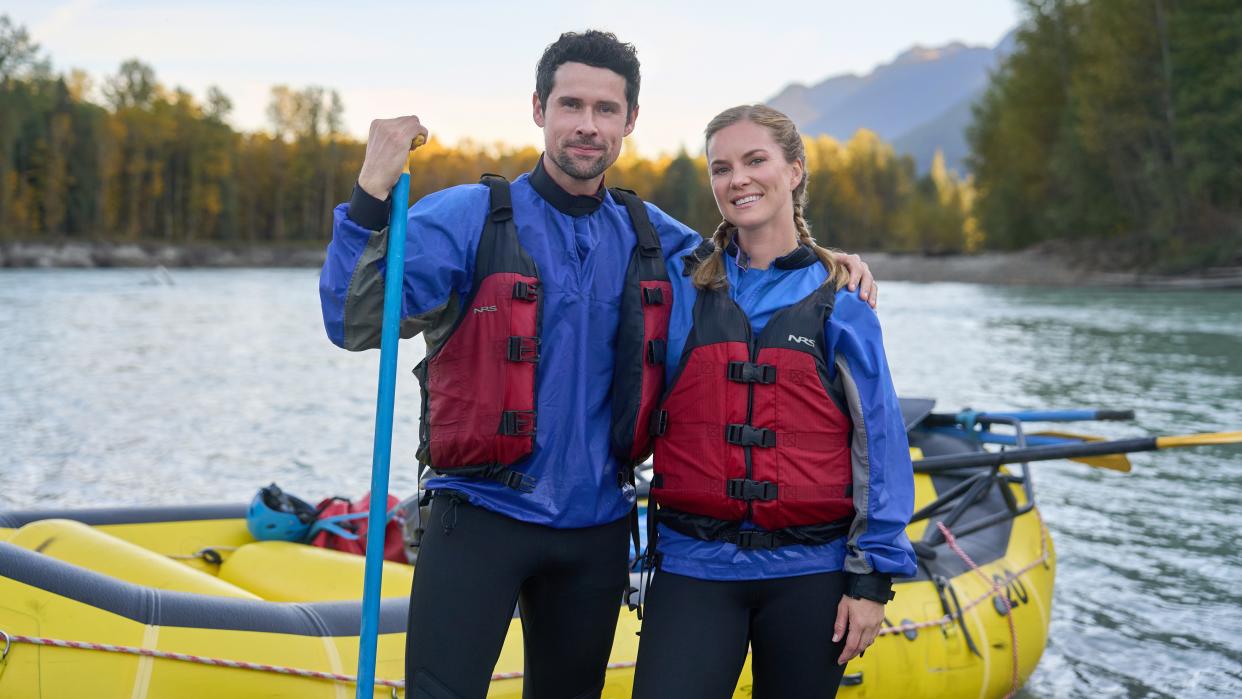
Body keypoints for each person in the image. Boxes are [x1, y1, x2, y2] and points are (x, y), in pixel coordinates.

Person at [319, 32, 877, 698]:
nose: (588, 125)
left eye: (606, 109)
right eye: (571, 104)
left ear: (629, 121)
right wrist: (370, 196)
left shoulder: (656, 238)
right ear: (539, 109)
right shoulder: (467, 219)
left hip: (596, 530)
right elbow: (351, 321)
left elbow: (759, 261)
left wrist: (828, 263)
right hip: (479, 514)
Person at [631, 105, 916, 699]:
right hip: (693, 566)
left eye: (755, 160)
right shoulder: (684, 288)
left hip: (810, 574)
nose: (737, 179)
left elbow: (880, 445)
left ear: (794, 171)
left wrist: (870, 584)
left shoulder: (842, 299)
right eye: (721, 168)